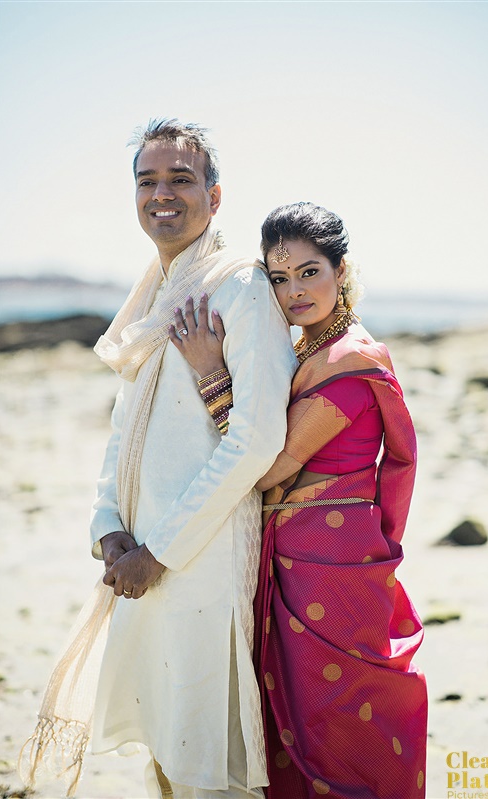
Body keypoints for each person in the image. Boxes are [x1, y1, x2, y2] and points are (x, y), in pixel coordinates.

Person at [18, 120, 298, 799]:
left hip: (196, 559)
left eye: (180, 179)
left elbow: (256, 438)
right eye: (147, 180)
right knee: (164, 755)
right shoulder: (155, 291)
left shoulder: (240, 287)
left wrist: (161, 550)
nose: (161, 194)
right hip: (137, 557)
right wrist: (106, 524)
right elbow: (125, 424)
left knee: (208, 763)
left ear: (214, 194)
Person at [172, 202, 428, 799]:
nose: (295, 290)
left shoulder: (348, 360)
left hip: (329, 562)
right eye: (279, 278)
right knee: (301, 707)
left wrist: (212, 375)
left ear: (341, 270)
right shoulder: (309, 350)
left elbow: (264, 468)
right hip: (300, 553)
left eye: (310, 271)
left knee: (333, 710)